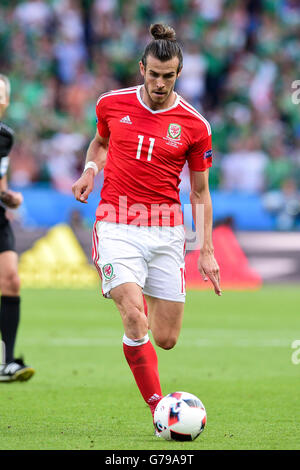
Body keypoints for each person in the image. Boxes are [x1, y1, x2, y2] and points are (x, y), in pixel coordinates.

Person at [72, 24, 221, 431]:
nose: (159, 82)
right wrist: (89, 171)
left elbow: (200, 192)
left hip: (167, 231)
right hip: (116, 222)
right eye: (153, 73)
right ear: (142, 68)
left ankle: (143, 332)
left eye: (167, 76)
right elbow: (100, 143)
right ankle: (160, 410)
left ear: (179, 74)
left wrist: (205, 248)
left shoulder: (194, 125)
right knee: (133, 316)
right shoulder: (111, 104)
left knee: (166, 337)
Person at [0, 74, 35, 382]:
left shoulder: (5, 137)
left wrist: (10, 197)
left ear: (6, 102)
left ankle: (8, 362)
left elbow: (1, 182)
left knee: (11, 279)